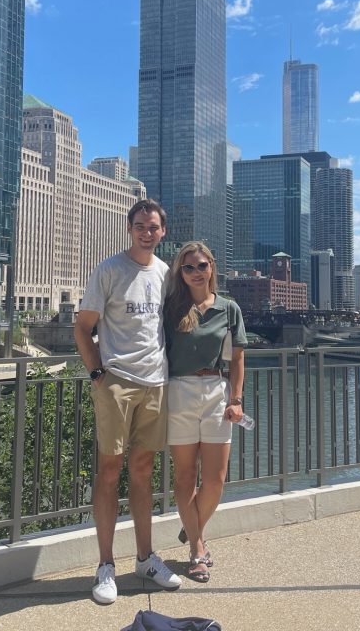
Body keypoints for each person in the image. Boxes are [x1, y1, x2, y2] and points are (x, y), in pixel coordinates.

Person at [74, 199, 183, 604]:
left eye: (153, 227)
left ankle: (145, 558)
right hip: (117, 381)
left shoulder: (166, 274)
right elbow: (83, 328)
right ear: (129, 228)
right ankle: (105, 565)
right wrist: (98, 375)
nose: (146, 232)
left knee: (143, 470)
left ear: (162, 232)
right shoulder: (109, 270)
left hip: (156, 383)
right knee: (108, 470)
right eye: (139, 225)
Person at [163, 241, 247, 582]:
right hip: (178, 392)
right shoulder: (170, 308)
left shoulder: (229, 309)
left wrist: (236, 399)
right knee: (185, 476)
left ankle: (191, 522)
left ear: (212, 267)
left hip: (215, 391)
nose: (196, 272)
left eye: (201, 266)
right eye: (188, 267)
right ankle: (197, 547)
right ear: (179, 273)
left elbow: (238, 358)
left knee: (215, 479)